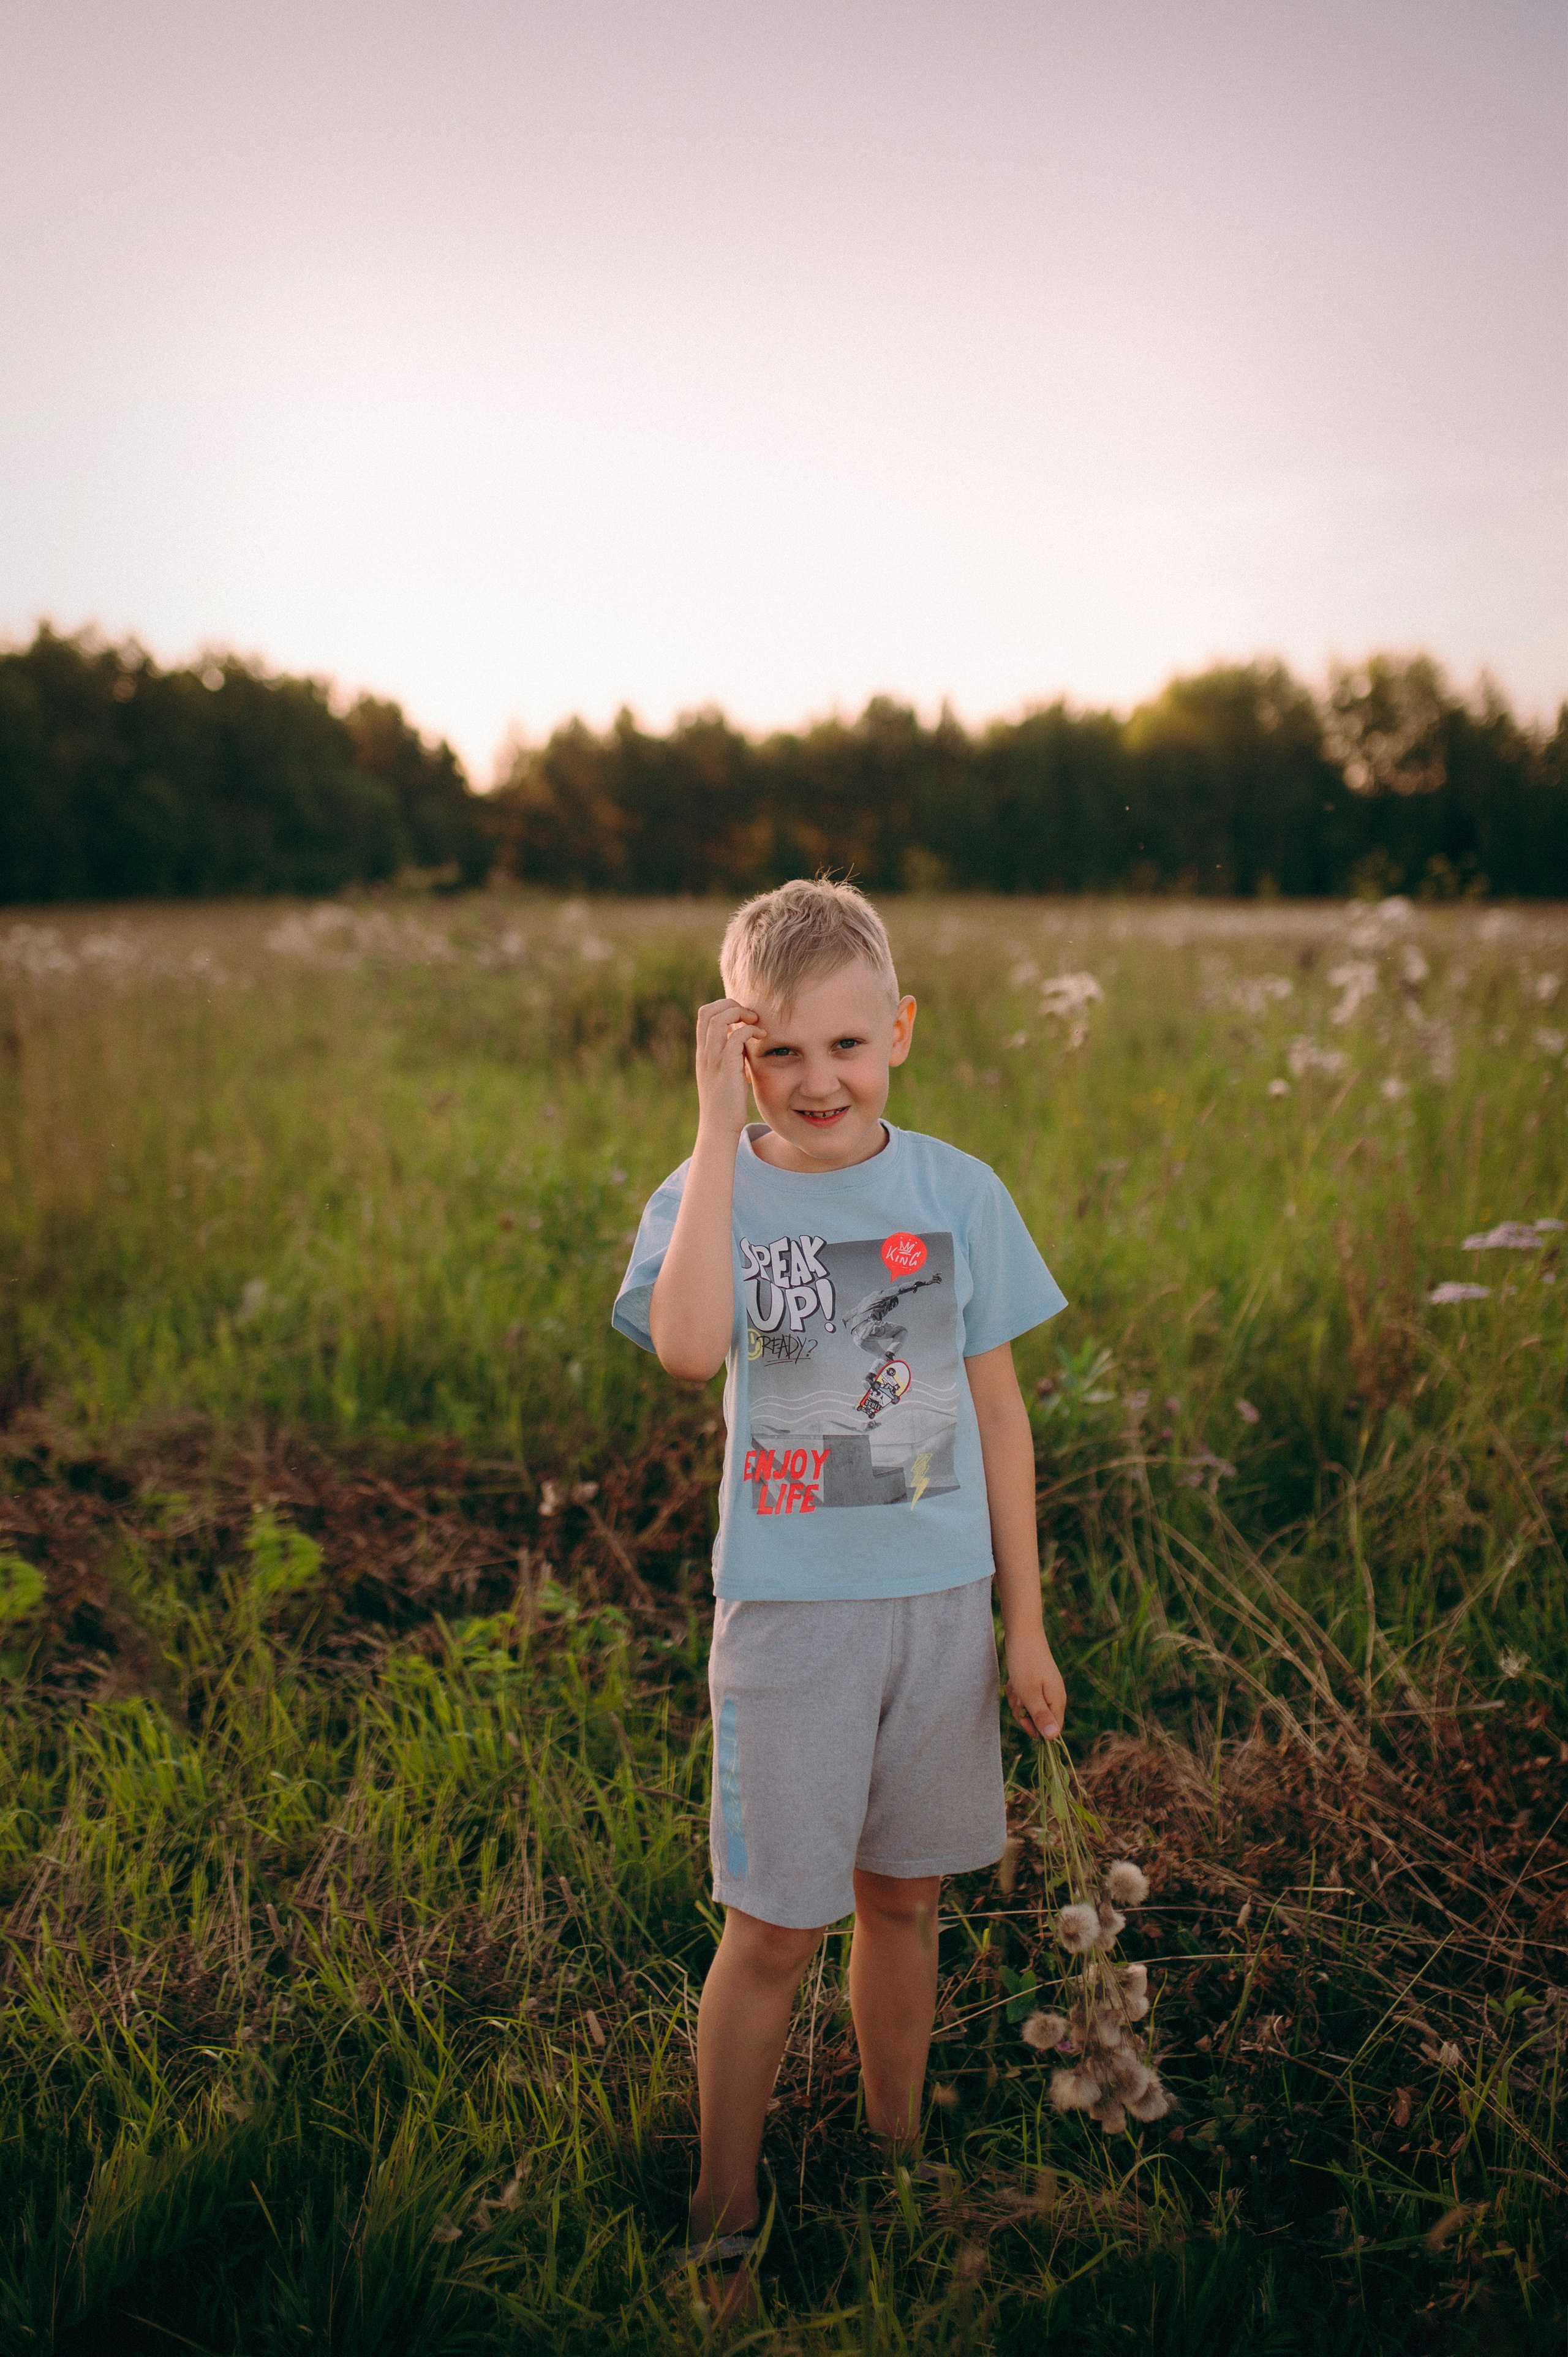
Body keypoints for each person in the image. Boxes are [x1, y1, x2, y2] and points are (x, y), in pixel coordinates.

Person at [611, 877, 1068, 2308]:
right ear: (734, 1052)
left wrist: (1025, 1624)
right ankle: (722, 2210)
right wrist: (706, 1136)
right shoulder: (712, 1195)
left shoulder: (954, 1192)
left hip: (939, 1609)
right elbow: (688, 1353)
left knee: (905, 1903)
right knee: (774, 1927)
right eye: (778, 1052)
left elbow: (999, 1419)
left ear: (902, 1032)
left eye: (847, 1047)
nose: (818, 1082)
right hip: (794, 1621)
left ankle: (893, 2157)